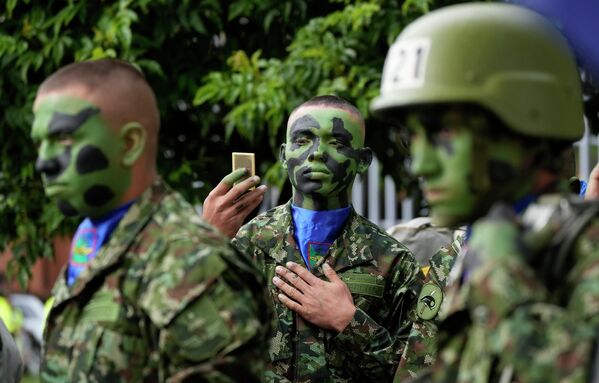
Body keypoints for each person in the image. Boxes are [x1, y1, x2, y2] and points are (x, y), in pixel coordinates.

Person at [370, 3, 599, 381]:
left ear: (521, 122)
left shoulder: (579, 251)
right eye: (412, 137)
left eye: (442, 134)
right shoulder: (477, 245)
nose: (420, 165)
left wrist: (501, 279)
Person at [31, 59, 272, 382]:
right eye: (39, 143)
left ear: (129, 144)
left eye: (63, 139)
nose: (43, 163)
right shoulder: (91, 241)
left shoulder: (196, 266)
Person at [229, 95, 423, 382]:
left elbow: (417, 372)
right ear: (284, 155)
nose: (317, 153)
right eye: (303, 140)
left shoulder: (393, 261)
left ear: (362, 160)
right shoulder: (248, 244)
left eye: (338, 143)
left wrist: (349, 322)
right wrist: (207, 237)